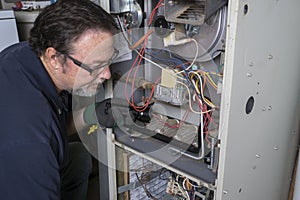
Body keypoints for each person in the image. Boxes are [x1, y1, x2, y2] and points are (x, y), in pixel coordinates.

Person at [0, 0, 118, 199]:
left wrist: (93, 113)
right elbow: (42, 133)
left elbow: (56, 125)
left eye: (109, 61)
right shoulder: (33, 144)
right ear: (54, 58)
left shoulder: (23, 54)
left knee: (79, 158)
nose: (106, 74)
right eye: (96, 65)